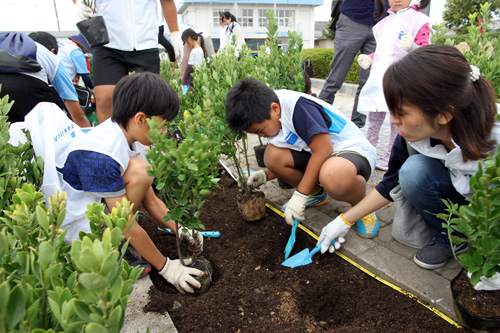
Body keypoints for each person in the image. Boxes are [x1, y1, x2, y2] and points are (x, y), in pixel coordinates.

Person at [316, 44, 500, 270]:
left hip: (492, 205)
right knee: (413, 171)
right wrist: (344, 220)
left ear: (443, 115)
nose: (392, 121)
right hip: (458, 199)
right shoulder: (412, 136)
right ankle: (451, 234)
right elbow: (390, 183)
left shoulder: (495, 137)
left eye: (401, 113)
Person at [25, 72, 204, 293]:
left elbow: (151, 200)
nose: (166, 130)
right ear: (140, 119)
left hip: (98, 204)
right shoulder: (102, 155)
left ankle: (111, 233)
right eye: (164, 124)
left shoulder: (129, 136)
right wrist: (167, 268)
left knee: (141, 170)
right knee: (140, 173)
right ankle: (111, 247)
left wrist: (179, 227)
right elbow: (127, 225)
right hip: (78, 225)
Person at [225, 78, 379, 238]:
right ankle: (316, 194)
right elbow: (296, 149)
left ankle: (363, 207)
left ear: (275, 108)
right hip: (324, 156)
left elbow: (324, 149)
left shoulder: (298, 107)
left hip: (351, 152)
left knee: (333, 175)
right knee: (272, 156)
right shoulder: (267, 109)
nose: (262, 136)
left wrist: (300, 194)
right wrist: (265, 175)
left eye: (260, 130)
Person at [74, 0, 184, 124]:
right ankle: (111, 142)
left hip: (145, 41)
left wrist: (174, 33)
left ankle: (145, 143)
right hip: (107, 40)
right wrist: (78, 2)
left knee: (148, 102)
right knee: (105, 100)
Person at [356, 0, 430, 170]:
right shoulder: (384, 22)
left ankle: (392, 153)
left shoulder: (418, 20)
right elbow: (384, 49)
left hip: (402, 78)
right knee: (374, 114)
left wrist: (412, 46)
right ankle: (369, 149)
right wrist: (371, 57)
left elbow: (425, 50)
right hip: (379, 78)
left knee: (395, 119)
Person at [318, 0, 387, 128]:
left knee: (367, 82)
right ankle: (316, 120)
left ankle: (357, 127)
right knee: (336, 77)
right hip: (352, 18)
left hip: (382, 21)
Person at [0, 31, 90, 127]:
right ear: (52, 51)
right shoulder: (50, 57)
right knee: (47, 129)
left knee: (6, 131)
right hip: (28, 83)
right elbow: (75, 109)